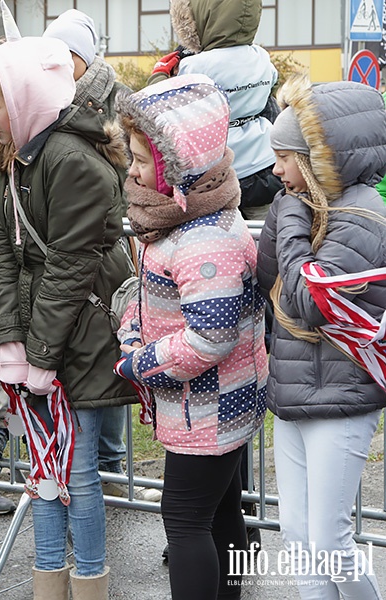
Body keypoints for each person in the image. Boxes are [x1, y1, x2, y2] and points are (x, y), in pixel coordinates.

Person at [0, 37, 136, 599]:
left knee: (78, 474)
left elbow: (70, 267)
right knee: (43, 472)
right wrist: (9, 342)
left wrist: (37, 355)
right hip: (40, 333)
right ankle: (48, 581)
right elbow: (4, 255)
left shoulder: (71, 159)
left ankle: (89, 581)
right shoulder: (8, 157)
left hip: (83, 336)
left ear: (21, 101)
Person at [114, 74, 268, 600]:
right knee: (217, 508)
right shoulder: (185, 223)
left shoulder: (204, 242)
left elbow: (209, 338)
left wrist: (142, 362)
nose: (131, 170)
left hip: (208, 408)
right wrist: (133, 329)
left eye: (140, 159)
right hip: (207, 405)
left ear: (180, 166)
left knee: (183, 520)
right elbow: (159, 302)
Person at [257, 75, 386, 598]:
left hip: (342, 396)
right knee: (299, 538)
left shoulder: (362, 218)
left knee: (329, 541)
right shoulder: (306, 209)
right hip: (295, 393)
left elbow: (309, 302)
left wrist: (288, 218)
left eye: (285, 156)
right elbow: (269, 277)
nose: (275, 169)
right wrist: (289, 216)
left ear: (317, 158)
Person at [41, 9, 160, 504]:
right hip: (68, 243)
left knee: (109, 356)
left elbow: (134, 166)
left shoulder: (115, 102)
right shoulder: (46, 102)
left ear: (81, 59)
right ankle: (94, 469)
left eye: (61, 56)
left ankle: (111, 469)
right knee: (82, 362)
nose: (51, 66)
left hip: (109, 244)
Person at [148, 0, 280, 223]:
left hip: (217, 170)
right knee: (264, 236)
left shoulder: (195, 66)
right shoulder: (261, 58)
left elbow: (165, 104)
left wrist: (159, 74)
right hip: (264, 164)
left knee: (220, 236)